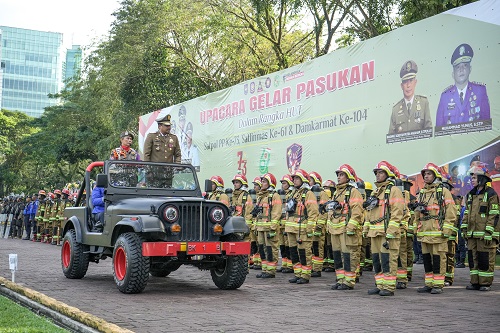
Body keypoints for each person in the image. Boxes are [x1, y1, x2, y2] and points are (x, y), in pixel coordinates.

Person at [363, 161, 404, 296]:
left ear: (388, 174)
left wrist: (391, 231)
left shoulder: (394, 191)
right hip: (375, 232)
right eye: (377, 173)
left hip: (387, 233)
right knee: (376, 260)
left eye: (381, 172)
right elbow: (369, 212)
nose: (377, 175)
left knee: (388, 260)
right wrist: (366, 228)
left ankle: (388, 287)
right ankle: (380, 284)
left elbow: (397, 213)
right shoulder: (376, 192)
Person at [414, 163, 456, 294]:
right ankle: (429, 283)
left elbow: (451, 213)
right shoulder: (421, 193)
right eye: (425, 174)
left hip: (438, 232)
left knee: (438, 258)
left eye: (429, 174)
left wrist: (446, 230)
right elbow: (417, 214)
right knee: (427, 259)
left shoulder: (443, 192)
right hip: (424, 232)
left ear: (436, 175)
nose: (426, 176)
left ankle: (438, 285)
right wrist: (416, 228)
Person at [461, 165, 499, 291]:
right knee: (473, 259)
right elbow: (467, 213)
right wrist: (464, 229)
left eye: (474, 177)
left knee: (485, 258)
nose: (472, 179)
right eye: (471, 176)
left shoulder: (491, 194)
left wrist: (489, 231)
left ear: (482, 178)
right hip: (472, 234)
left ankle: (485, 283)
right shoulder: (471, 194)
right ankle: (475, 282)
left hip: (485, 234)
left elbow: (494, 214)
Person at [436, 43, 490, 126]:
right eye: (457, 67)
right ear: (453, 74)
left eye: (465, 65)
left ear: (470, 69)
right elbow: (439, 129)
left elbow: (487, 124)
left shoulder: (480, 91)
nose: (461, 70)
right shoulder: (445, 97)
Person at [328, 164, 364, 290]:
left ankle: (348, 282)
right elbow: (331, 210)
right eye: (338, 175)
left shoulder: (353, 192)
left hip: (346, 230)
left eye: (341, 174)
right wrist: (329, 224)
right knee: (337, 255)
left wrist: (351, 227)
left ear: (348, 177)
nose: (338, 177)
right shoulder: (336, 193)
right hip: (335, 229)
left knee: (348, 255)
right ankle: (340, 279)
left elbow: (357, 212)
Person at [284, 169, 319, 284]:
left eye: (297, 178)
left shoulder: (308, 194)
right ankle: (297, 273)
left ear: (303, 180)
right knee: (293, 252)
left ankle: (305, 275)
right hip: (291, 228)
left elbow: (313, 213)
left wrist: (310, 229)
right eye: (293, 178)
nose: (294, 180)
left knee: (304, 252)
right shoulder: (292, 193)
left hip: (302, 229)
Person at [388, 60, 432, 134]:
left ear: (415, 82)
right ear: (401, 86)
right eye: (405, 82)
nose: (408, 86)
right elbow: (391, 138)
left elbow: (429, 131)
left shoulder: (423, 103)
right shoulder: (395, 109)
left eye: (411, 81)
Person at [254, 173, 282, 278]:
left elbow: (276, 213)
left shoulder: (274, 196)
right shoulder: (261, 196)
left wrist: (273, 228)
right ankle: (265, 269)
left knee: (271, 249)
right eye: (262, 181)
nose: (262, 183)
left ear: (270, 183)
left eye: (264, 181)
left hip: (269, 228)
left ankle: (271, 271)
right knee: (262, 249)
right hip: (260, 228)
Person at [309, 171, 329, 277]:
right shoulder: (309, 193)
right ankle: (312, 267)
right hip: (311, 226)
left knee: (317, 247)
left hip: (318, 227)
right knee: (311, 247)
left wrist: (319, 226)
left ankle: (317, 269)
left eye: (310, 180)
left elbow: (323, 211)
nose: (308, 182)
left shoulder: (322, 194)